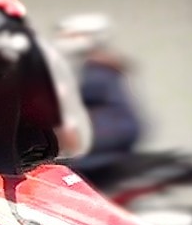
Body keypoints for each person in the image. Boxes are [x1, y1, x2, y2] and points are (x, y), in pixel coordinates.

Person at [56, 13, 143, 181]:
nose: (63, 40)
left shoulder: (97, 71)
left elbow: (64, 96)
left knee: (64, 167)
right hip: (112, 132)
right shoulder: (99, 66)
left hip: (108, 133)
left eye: (71, 35)